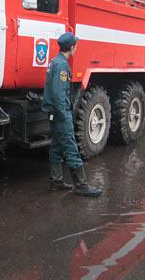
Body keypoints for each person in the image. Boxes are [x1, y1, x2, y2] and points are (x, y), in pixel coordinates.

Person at [42, 32, 102, 197]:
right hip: (61, 114)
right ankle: (81, 186)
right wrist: (65, 115)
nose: (76, 48)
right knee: (71, 148)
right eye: (75, 45)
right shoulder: (62, 66)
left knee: (56, 147)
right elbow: (58, 94)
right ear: (71, 47)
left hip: (53, 113)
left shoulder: (55, 62)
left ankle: (56, 181)